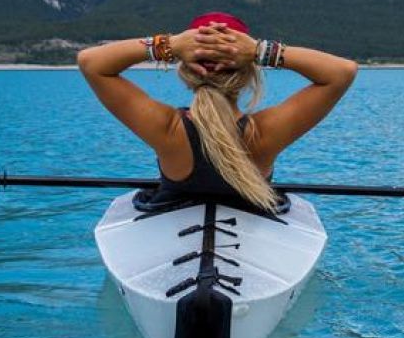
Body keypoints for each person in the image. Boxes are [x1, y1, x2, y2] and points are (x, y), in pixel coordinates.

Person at [76, 12, 358, 212]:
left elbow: (91, 62)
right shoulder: (264, 133)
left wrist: (170, 45)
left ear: (186, 69)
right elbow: (342, 72)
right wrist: (260, 50)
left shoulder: (166, 129)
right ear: (248, 73)